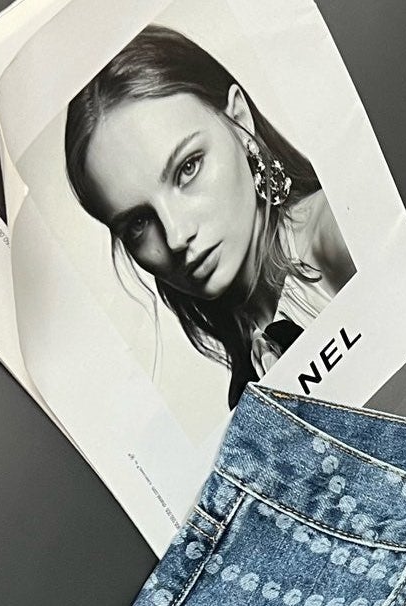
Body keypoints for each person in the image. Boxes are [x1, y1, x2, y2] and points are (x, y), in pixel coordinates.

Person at [64, 24, 355, 408]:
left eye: (188, 168)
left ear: (240, 121)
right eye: (138, 223)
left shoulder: (337, 235)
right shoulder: (247, 377)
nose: (175, 236)